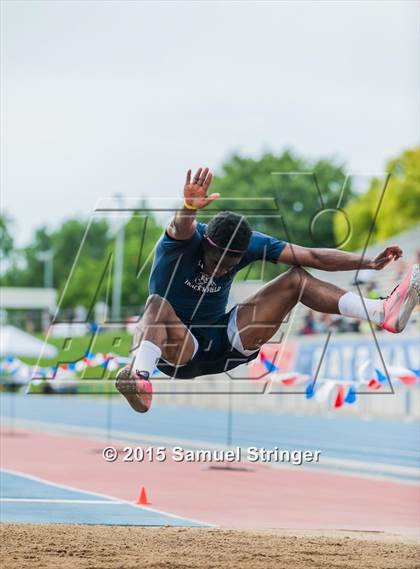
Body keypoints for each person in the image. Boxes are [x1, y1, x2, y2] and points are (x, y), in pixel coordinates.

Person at [116, 167, 420, 413]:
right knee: (156, 304)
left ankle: (381, 312)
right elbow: (181, 226)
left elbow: (312, 257)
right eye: (216, 261)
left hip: (228, 343)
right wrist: (187, 208)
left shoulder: (251, 243)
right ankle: (140, 379)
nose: (221, 269)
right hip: (179, 348)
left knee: (296, 279)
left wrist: (369, 262)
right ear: (206, 244)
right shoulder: (182, 241)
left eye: (230, 264)